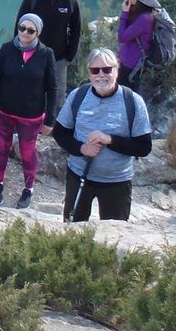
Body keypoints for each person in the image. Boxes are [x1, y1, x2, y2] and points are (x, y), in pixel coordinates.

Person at [53, 48, 152, 222]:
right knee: (72, 232)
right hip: (79, 176)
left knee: (114, 237)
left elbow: (144, 147)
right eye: (95, 70)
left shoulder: (133, 101)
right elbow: (60, 133)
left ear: (117, 69)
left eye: (107, 69)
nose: (101, 75)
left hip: (117, 182)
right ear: (89, 71)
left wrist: (110, 140)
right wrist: (82, 148)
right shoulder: (78, 96)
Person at [0, 13, 58, 209]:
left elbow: (52, 88)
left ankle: (28, 188)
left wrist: (50, 119)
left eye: (30, 30)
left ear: (37, 33)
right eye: (21, 28)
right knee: (1, 147)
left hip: (31, 114)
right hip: (3, 109)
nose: (24, 33)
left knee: (27, 151)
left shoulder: (46, 54)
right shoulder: (7, 49)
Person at [16, 0, 84, 104]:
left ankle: (53, 125)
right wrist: (19, 51)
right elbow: (19, 25)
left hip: (58, 58)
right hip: (32, 55)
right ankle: (29, 124)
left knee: (58, 96)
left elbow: (76, 30)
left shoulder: (71, 2)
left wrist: (69, 57)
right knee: (29, 92)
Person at [117, 0, 159, 89]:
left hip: (131, 65)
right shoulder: (143, 14)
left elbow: (122, 37)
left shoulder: (145, 18)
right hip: (128, 62)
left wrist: (125, 13)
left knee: (125, 95)